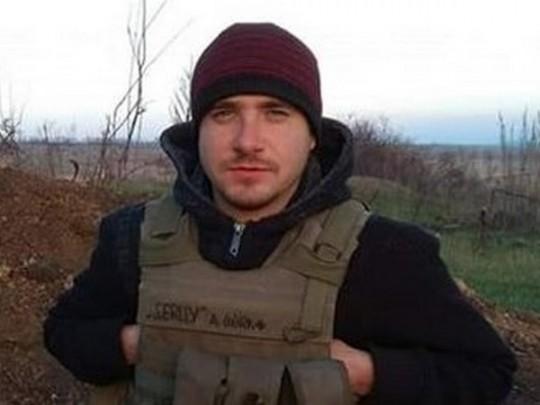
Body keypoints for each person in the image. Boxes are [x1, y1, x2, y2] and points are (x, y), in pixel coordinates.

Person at [44, 22, 516, 404]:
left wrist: (371, 374)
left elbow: (486, 373)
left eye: (276, 113)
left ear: (311, 135)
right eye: (224, 113)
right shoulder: (134, 236)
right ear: (198, 131)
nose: (248, 140)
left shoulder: (384, 252)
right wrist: (135, 344)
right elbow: (65, 332)